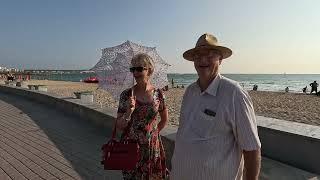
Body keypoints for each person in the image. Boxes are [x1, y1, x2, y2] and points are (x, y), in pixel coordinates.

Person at [171, 33, 261, 180]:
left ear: (221, 59)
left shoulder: (234, 93)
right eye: (198, 55)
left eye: (210, 54)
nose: (203, 59)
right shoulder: (189, 91)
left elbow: (252, 149)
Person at [115, 53, 169, 179]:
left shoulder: (158, 94)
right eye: (132, 69)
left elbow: (164, 119)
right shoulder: (126, 95)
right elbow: (119, 125)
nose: (135, 73)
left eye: (139, 69)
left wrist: (153, 134)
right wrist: (129, 111)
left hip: (152, 147)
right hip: (131, 146)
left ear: (149, 70)